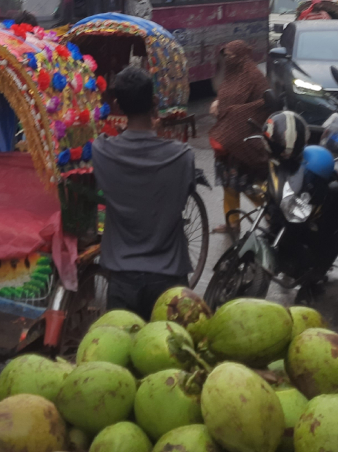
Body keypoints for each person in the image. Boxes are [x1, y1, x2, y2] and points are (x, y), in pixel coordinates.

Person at [92, 67, 195, 318]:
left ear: (118, 105)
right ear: (154, 103)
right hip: (170, 282)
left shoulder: (102, 152)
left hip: (122, 278)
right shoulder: (182, 157)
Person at [208, 41, 270, 236]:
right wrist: (218, 102)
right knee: (229, 183)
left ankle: (272, 213)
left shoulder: (255, 76)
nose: (228, 59)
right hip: (228, 139)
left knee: (248, 184)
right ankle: (232, 223)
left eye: (231, 56)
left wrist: (234, 113)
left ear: (242, 56)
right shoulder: (230, 75)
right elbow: (225, 96)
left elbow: (264, 105)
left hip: (245, 140)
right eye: (225, 56)